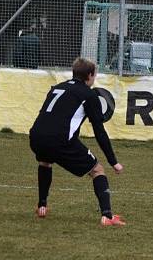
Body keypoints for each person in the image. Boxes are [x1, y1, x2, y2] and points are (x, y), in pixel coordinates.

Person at [29, 57, 125, 226]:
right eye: (94, 75)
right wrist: (113, 161)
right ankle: (107, 216)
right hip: (60, 140)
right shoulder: (89, 94)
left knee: (45, 161)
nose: (95, 78)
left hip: (36, 136)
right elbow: (99, 131)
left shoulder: (57, 88)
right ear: (89, 75)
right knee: (97, 170)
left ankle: (42, 206)